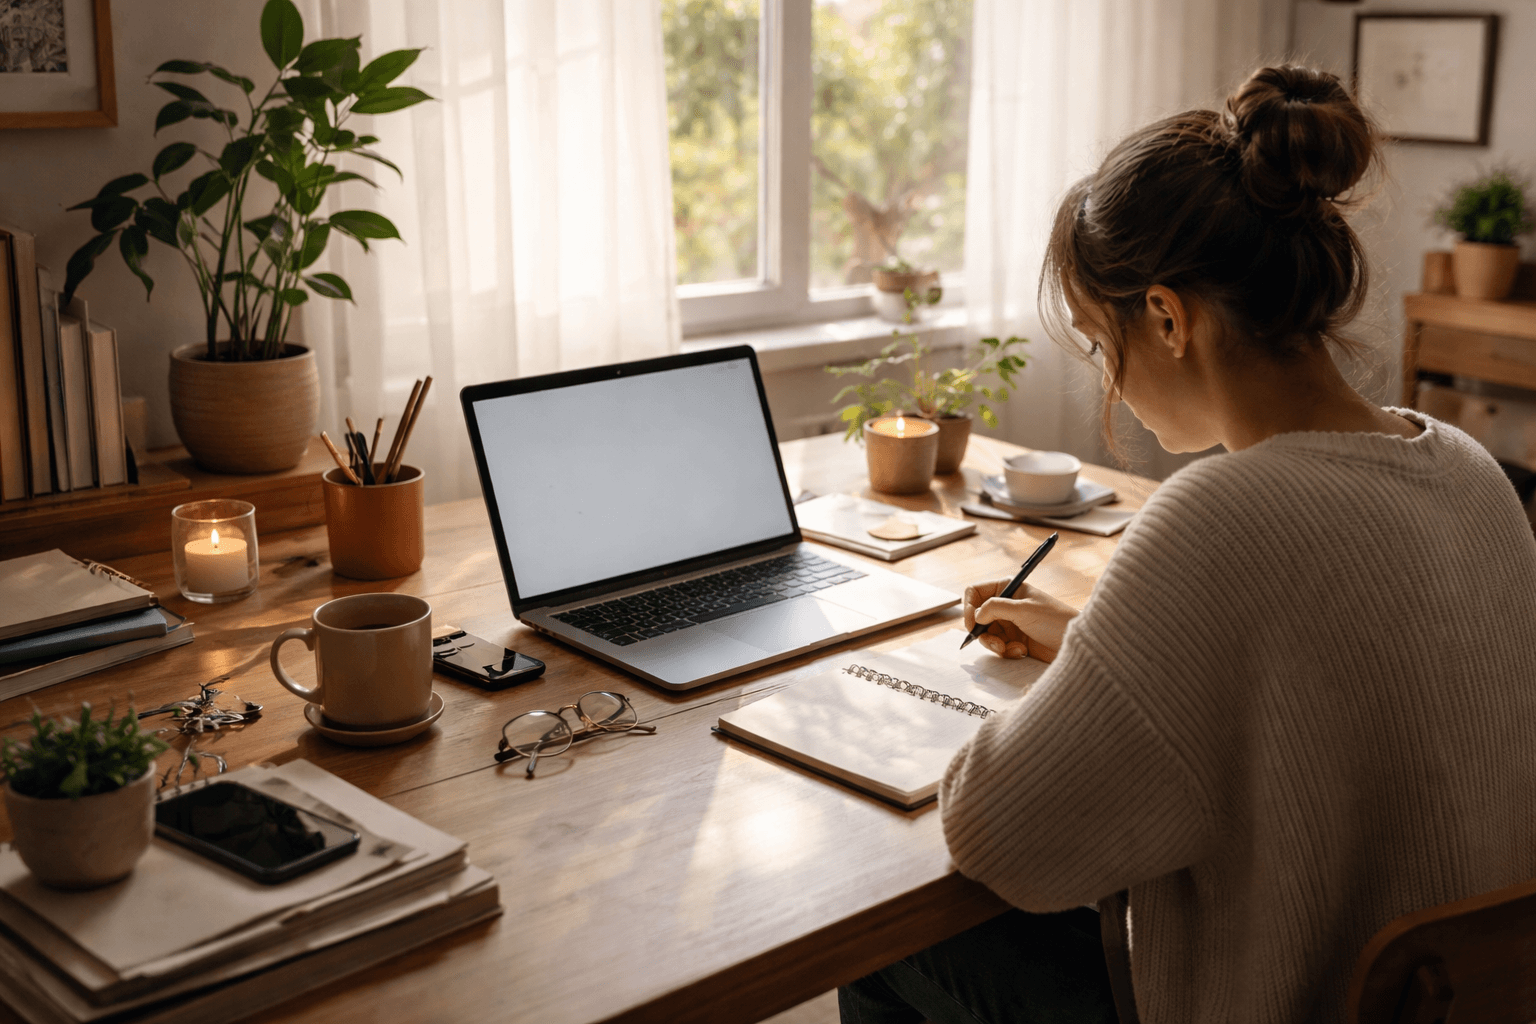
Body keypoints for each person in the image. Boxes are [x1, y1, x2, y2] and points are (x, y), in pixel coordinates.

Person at [839, 64, 1536, 1024]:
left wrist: (1067, 688)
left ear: (1167, 318)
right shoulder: (1467, 469)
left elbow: (999, 831)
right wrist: (1097, 639)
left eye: (1097, 342)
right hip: (1467, 1001)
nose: (1109, 386)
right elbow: (1341, 677)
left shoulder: (1219, 513)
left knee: (889, 948)